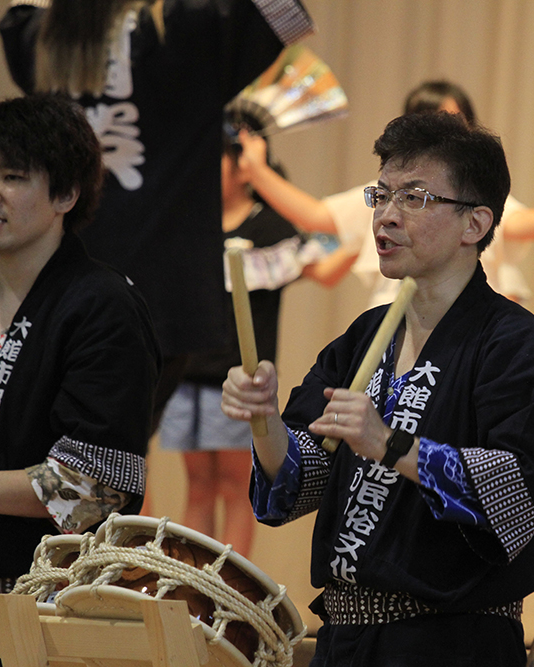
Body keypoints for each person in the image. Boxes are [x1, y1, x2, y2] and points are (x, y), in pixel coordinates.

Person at [221, 111, 534, 666]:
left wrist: (391, 444)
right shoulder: (362, 338)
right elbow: (299, 482)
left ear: (475, 224)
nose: (385, 216)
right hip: (344, 640)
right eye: (380, 195)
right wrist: (263, 420)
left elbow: (516, 498)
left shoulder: (515, 344)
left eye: (414, 198)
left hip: (451, 643)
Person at [0, 0, 315, 425]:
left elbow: (18, 16)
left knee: (64, 448)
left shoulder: (45, 35)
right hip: (165, 296)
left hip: (57, 287)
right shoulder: (187, 28)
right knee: (112, 457)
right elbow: (285, 13)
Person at [0, 94, 161, 610]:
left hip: (40, 604)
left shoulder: (103, 306)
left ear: (65, 194)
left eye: (13, 177)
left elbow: (97, 488)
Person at [158, 109, 354, 556]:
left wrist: (359, 243)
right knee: (198, 487)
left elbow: (322, 265)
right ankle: (193, 594)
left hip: (240, 381)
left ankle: (229, 595)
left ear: (241, 162)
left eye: (217, 159)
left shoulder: (269, 224)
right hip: (186, 372)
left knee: (235, 487)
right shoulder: (192, 224)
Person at [238, 79, 534, 306]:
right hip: (396, 316)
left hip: (458, 320)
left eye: (458, 123)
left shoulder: (471, 191)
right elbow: (316, 216)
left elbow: (514, 221)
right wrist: (258, 171)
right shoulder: (387, 192)